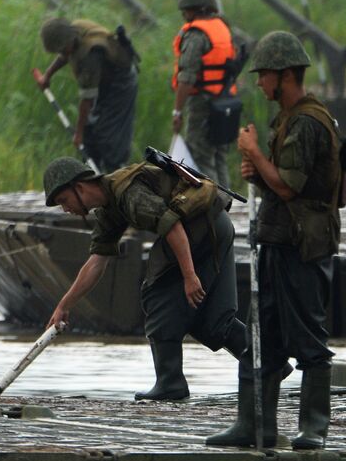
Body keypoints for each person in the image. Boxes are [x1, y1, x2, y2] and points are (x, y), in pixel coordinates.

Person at [206, 31, 344, 450]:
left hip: (302, 246)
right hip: (278, 240)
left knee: (308, 339)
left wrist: (255, 153)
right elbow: (278, 184)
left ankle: (314, 427)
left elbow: (289, 187)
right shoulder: (289, 118)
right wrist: (256, 171)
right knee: (260, 338)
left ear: (284, 75)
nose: (260, 83)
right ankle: (254, 425)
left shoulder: (306, 121)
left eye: (264, 76)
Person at [42, 155, 247, 402]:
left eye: (64, 200)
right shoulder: (109, 209)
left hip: (202, 230)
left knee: (157, 294)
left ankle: (170, 383)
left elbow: (172, 227)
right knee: (213, 323)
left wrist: (189, 276)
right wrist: (65, 304)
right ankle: (266, 364)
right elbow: (97, 261)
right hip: (216, 225)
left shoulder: (129, 194)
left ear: (81, 187)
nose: (65, 209)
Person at [35, 17, 139, 172]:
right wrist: (47, 76)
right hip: (103, 80)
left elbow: (87, 100)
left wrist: (78, 134)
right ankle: (92, 175)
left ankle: (116, 177)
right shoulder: (72, 35)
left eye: (63, 49)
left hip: (120, 84)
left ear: (70, 40)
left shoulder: (91, 55)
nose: (63, 53)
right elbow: (65, 56)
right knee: (90, 138)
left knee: (110, 138)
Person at [172, 0, 241, 185]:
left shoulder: (195, 34)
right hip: (226, 102)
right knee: (219, 156)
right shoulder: (223, 28)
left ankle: (214, 207)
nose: (184, 14)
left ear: (198, 9)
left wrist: (177, 112)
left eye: (186, 10)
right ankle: (225, 203)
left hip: (202, 104)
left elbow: (186, 78)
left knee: (201, 158)